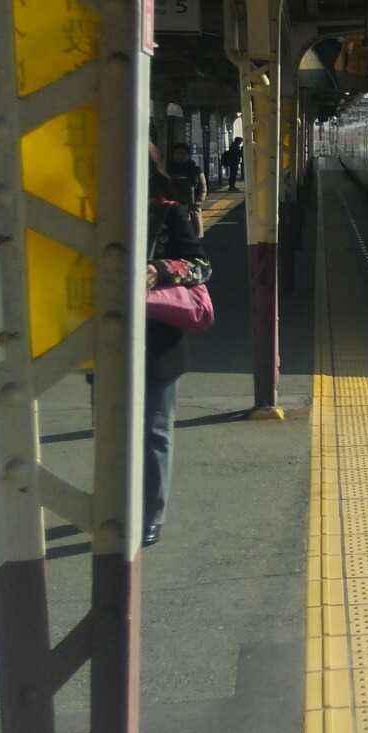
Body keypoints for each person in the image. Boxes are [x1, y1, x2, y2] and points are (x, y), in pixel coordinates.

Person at [143, 147, 212, 547]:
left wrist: (161, 270)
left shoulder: (168, 213)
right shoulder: (86, 216)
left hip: (159, 337)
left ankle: (150, 513)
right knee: (112, 431)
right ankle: (117, 504)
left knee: (154, 431)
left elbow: (201, 265)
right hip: (104, 338)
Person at [168, 142, 207, 237]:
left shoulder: (196, 169)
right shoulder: (168, 169)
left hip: (192, 204)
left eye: (183, 153)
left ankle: (197, 239)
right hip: (173, 204)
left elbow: (203, 187)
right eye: (177, 153)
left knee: (195, 227)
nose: (180, 156)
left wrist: (199, 202)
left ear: (188, 155)